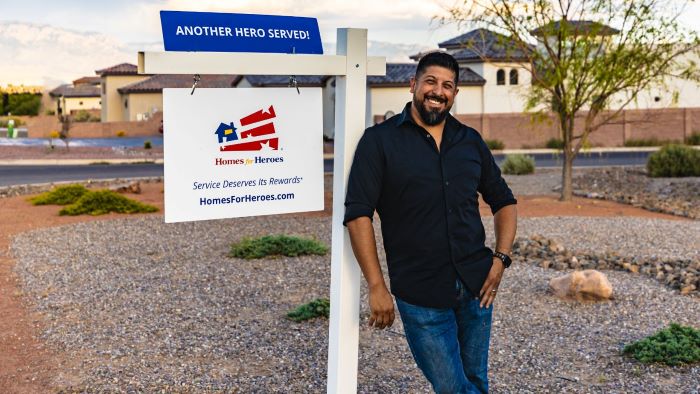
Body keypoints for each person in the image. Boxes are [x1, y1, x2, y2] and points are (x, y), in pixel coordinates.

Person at [343, 51, 518, 394]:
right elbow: (358, 214)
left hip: (476, 285)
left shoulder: (469, 141)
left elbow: (505, 202)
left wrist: (501, 259)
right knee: (454, 387)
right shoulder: (379, 142)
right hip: (420, 291)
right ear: (413, 85)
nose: (438, 91)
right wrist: (377, 286)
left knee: (476, 382)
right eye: (431, 82)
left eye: (447, 85)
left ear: (454, 94)